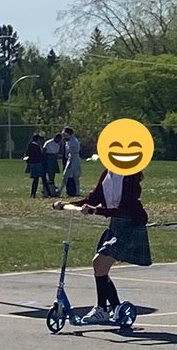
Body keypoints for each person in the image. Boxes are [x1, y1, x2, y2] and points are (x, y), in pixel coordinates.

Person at [51, 159, 152, 325]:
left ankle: (102, 309)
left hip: (131, 225)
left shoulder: (130, 177)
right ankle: (113, 307)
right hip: (116, 224)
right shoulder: (108, 174)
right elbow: (94, 197)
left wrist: (96, 210)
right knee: (100, 266)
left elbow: (125, 209)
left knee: (99, 263)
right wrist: (68, 205)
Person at [61, 126, 82, 197]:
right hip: (73, 158)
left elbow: (72, 152)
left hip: (73, 159)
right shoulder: (70, 140)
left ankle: (60, 191)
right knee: (74, 176)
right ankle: (77, 191)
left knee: (66, 175)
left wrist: (70, 162)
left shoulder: (73, 141)